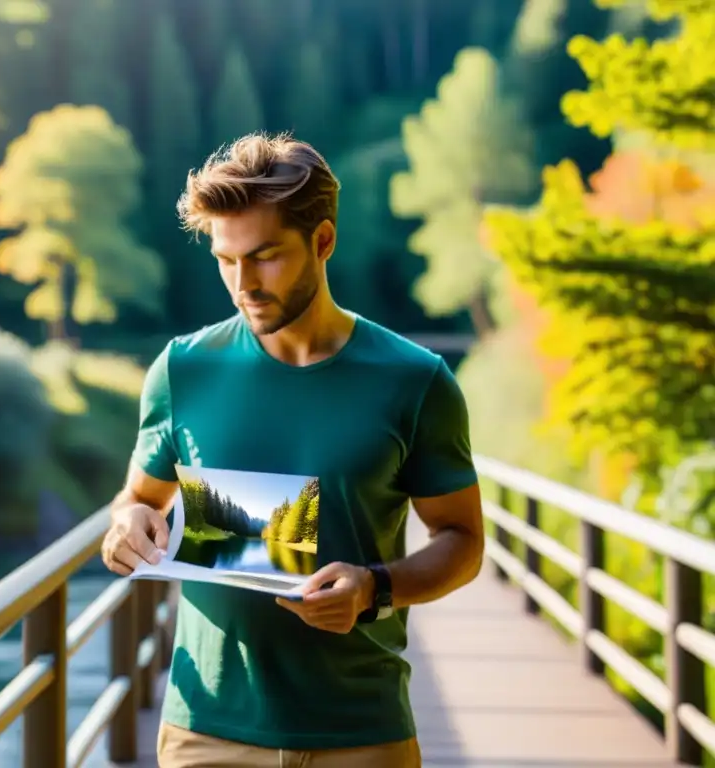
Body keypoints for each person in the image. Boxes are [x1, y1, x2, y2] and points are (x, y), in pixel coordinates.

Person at [100, 132, 484, 768]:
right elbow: (137, 500)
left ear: (323, 241)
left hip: (361, 732)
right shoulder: (183, 369)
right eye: (225, 260)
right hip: (206, 732)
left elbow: (462, 542)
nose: (243, 283)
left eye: (265, 256)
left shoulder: (415, 381)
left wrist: (375, 587)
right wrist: (127, 524)